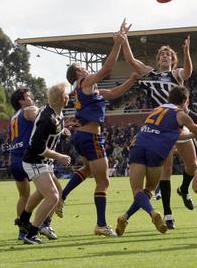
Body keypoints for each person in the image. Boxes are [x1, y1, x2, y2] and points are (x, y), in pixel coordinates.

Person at [115, 86, 197, 236]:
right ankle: (152, 213)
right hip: (155, 150)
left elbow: (170, 134)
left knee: (137, 191)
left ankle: (126, 217)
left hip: (139, 145)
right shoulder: (180, 114)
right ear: (185, 101)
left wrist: (191, 136)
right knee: (148, 189)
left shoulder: (157, 110)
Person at [60, 30, 140, 237]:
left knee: (86, 170)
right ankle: (101, 224)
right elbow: (107, 69)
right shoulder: (85, 83)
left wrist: (132, 79)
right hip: (90, 136)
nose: (86, 69)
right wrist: (118, 43)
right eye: (82, 67)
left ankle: (62, 195)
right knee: (103, 181)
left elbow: (113, 93)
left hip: (82, 136)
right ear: (78, 74)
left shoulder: (90, 90)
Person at [120, 22, 197, 229]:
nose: (165, 57)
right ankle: (168, 214)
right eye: (162, 55)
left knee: (193, 165)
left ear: (173, 60)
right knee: (167, 169)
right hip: (162, 127)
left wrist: (187, 51)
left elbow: (188, 72)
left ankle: (184, 189)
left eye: (168, 55)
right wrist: (124, 39)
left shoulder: (176, 74)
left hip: (179, 121)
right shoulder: (150, 73)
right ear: (158, 59)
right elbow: (130, 60)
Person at [18, 83, 73, 245]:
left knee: (45, 193)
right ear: (62, 98)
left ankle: (24, 220)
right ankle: (32, 233)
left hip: (42, 162)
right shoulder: (47, 117)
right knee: (53, 196)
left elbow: (52, 131)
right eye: (67, 94)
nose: (68, 96)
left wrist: (63, 132)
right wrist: (60, 156)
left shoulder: (57, 113)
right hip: (35, 160)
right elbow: (37, 146)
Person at [9, 88, 58, 241]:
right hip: (28, 157)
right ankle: (43, 224)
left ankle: (22, 231)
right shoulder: (29, 110)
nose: (32, 98)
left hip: (14, 158)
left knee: (24, 195)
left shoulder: (13, 117)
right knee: (54, 191)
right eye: (28, 96)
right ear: (21, 101)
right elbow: (41, 118)